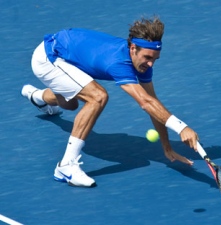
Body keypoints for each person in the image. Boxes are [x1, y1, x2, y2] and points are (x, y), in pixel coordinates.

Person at [21, 16, 199, 188]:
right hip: (48, 58)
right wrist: (181, 127)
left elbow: (153, 103)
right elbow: (145, 103)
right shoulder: (118, 62)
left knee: (71, 104)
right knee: (97, 96)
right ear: (133, 48)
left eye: (155, 59)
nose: (151, 64)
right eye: (147, 57)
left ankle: (38, 97)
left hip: (71, 55)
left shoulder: (141, 63)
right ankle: (65, 166)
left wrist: (166, 147)